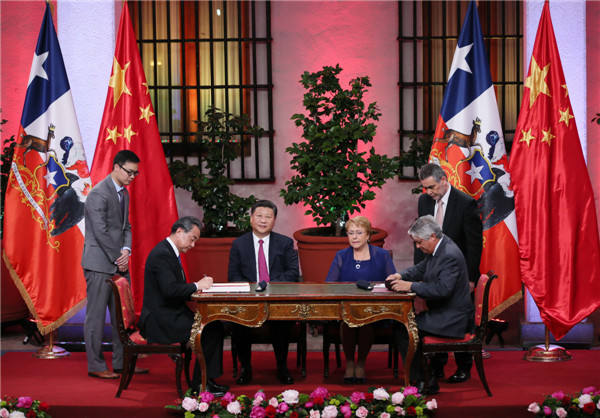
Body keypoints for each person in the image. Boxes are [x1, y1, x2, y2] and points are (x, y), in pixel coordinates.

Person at [139, 216, 228, 396]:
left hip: (171, 312)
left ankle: (207, 379)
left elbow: (174, 289)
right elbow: (170, 290)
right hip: (161, 319)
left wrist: (197, 288)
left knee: (216, 325)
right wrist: (196, 285)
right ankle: (200, 384)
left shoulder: (169, 252)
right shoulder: (162, 255)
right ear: (179, 231)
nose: (193, 245)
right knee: (210, 330)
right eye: (192, 239)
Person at [386, 215, 474, 395]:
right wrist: (401, 276)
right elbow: (422, 268)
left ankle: (423, 381)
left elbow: (442, 289)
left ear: (432, 236)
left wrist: (410, 286)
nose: (418, 247)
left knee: (404, 328)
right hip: (444, 312)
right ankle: (426, 375)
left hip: (452, 318)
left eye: (419, 242)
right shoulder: (441, 246)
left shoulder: (449, 255)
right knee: (404, 324)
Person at [415, 162, 482, 383]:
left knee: (459, 317)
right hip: (432, 272)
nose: (428, 192)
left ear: (443, 180)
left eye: (432, 187)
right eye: (425, 188)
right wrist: (418, 275)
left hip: (459, 275)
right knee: (435, 315)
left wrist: (470, 278)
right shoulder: (424, 201)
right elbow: (421, 239)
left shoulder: (465, 203)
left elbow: (474, 245)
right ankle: (437, 366)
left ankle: (464, 367)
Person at [82, 150, 145, 379]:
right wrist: (118, 257)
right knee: (96, 318)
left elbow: (126, 227)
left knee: (122, 318)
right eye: (129, 172)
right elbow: (100, 231)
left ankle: (121, 363)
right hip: (99, 264)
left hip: (119, 262)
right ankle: (96, 365)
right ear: (116, 167)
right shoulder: (98, 193)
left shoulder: (124, 193)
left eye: (135, 173)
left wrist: (126, 250)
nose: (132, 177)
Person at [228, 199, 299, 385]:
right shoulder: (239, 244)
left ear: (274, 220)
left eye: (268, 217)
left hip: (277, 298)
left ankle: (282, 367)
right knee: (239, 322)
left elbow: (293, 273)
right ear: (251, 218)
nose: (263, 220)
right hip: (249, 300)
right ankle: (245, 368)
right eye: (259, 216)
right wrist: (252, 290)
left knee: (282, 322)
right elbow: (233, 275)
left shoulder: (285, 243)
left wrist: (269, 286)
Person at [326, 216, 396, 384]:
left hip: (375, 310)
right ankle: (350, 362)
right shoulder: (341, 255)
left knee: (365, 321)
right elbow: (330, 284)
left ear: (368, 235)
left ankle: (361, 363)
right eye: (351, 233)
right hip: (346, 309)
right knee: (349, 321)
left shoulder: (382, 255)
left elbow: (392, 282)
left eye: (359, 233)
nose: (354, 237)